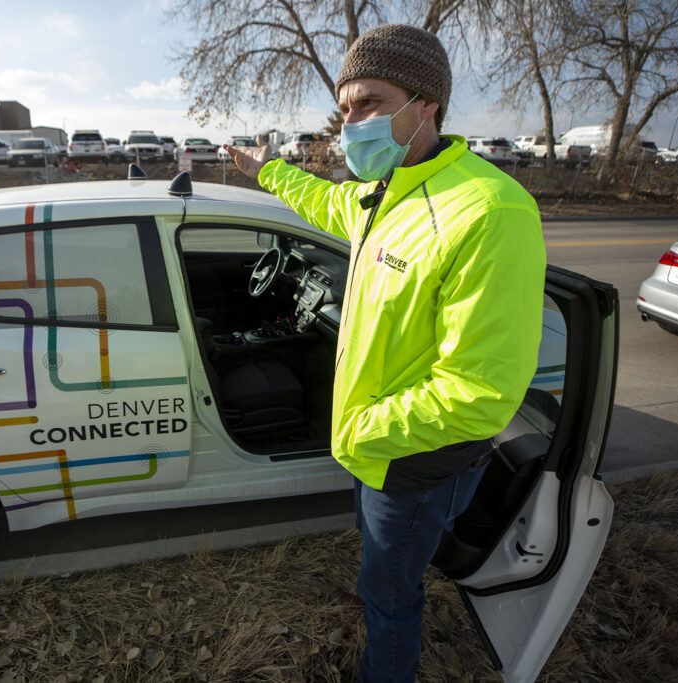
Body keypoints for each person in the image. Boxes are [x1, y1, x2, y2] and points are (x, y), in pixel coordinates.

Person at [226, 24, 547, 682]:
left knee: (390, 593)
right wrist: (268, 172)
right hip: (377, 448)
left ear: (425, 103)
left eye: (369, 102)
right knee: (388, 562)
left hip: (410, 460)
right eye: (345, 109)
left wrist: (364, 431)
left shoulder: (486, 209)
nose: (353, 123)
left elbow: (480, 393)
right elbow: (321, 199)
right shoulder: (380, 195)